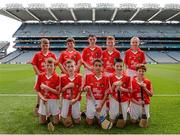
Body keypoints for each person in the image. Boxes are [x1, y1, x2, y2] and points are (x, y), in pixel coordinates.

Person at [31, 38, 57, 116]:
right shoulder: (37, 54)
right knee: (39, 91)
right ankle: (38, 106)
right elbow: (34, 64)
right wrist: (39, 74)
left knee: (50, 90)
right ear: (41, 45)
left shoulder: (52, 54)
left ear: (49, 45)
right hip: (40, 76)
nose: (45, 47)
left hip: (50, 76)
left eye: (46, 45)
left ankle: (51, 107)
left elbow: (55, 65)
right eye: (43, 45)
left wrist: (51, 72)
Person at [34, 57, 60, 125]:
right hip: (44, 100)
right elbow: (37, 90)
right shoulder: (40, 76)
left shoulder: (57, 77)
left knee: (56, 123)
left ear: (54, 66)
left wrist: (47, 87)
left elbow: (57, 92)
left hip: (53, 100)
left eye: (51, 65)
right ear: (45, 66)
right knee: (42, 122)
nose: (49, 67)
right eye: (47, 65)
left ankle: (56, 114)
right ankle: (47, 114)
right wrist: (42, 98)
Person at [84, 59, 109, 125]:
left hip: (101, 101)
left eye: (99, 66)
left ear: (102, 67)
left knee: (100, 123)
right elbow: (83, 89)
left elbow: (107, 94)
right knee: (89, 123)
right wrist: (86, 88)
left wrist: (101, 105)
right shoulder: (88, 76)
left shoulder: (106, 78)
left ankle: (96, 114)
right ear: (93, 67)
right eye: (96, 65)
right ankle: (89, 113)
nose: (98, 67)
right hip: (91, 100)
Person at [60, 59, 83, 127]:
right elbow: (60, 91)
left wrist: (75, 99)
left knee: (77, 122)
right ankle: (61, 114)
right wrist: (67, 86)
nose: (70, 68)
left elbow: (80, 91)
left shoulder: (79, 77)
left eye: (72, 66)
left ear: (75, 67)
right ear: (65, 68)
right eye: (68, 66)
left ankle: (78, 114)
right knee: (64, 120)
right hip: (66, 100)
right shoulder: (62, 78)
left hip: (75, 100)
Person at [109, 58, 130, 125]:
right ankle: (113, 113)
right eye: (117, 66)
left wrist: (122, 89)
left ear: (123, 66)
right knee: (112, 121)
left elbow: (130, 90)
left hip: (124, 99)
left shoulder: (127, 77)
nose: (119, 68)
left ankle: (126, 111)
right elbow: (110, 91)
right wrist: (113, 84)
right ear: (113, 66)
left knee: (123, 123)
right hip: (114, 98)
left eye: (121, 66)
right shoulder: (110, 77)